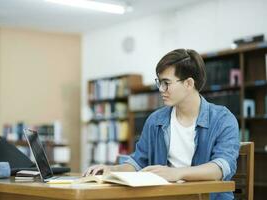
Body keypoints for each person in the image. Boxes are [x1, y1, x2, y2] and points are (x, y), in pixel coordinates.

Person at [83, 49, 240, 200]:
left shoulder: (222, 119)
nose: (161, 89)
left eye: (166, 83)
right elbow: (138, 162)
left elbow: (220, 168)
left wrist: (177, 173)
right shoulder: (155, 120)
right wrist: (112, 170)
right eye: (159, 82)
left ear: (189, 83)